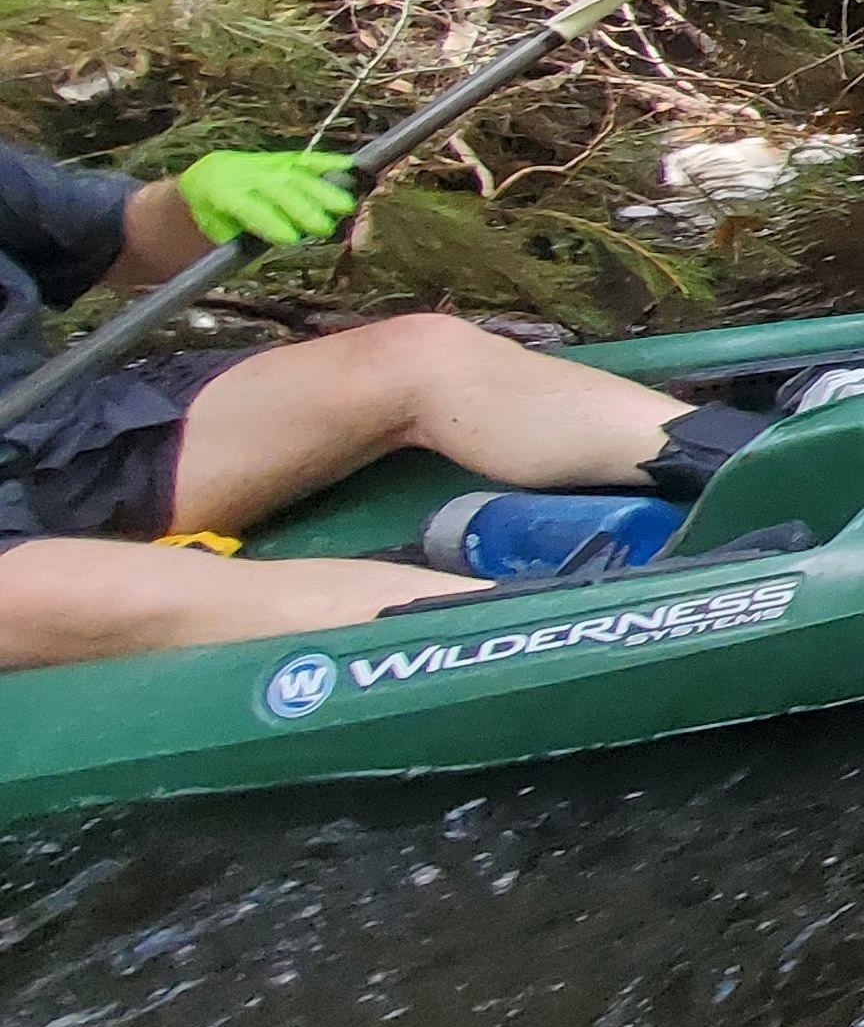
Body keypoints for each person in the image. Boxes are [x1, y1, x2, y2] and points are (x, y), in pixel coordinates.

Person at [0, 140, 768, 670]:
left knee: (417, 356)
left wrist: (194, 199)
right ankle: (616, 619)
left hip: (53, 438)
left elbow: (130, 243)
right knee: (138, 596)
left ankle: (772, 457)